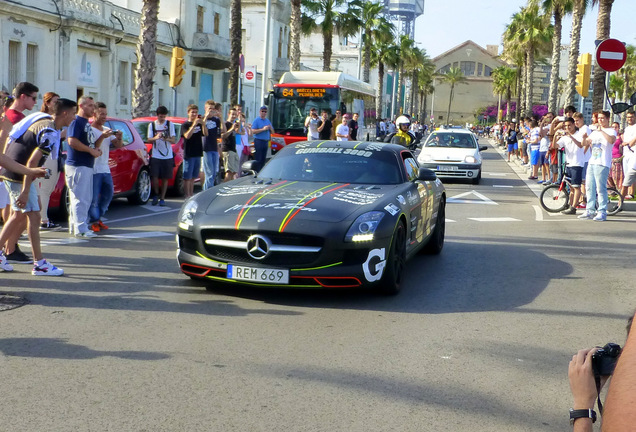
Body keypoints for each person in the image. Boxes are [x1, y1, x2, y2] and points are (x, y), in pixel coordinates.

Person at [0, 98, 77, 274]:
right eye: (73, 114)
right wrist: (26, 191)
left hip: (14, 172)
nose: (74, 117)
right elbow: (32, 162)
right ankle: (40, 264)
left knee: (18, 215)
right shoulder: (50, 131)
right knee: (34, 217)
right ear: (64, 113)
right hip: (18, 174)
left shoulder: (45, 123)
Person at [0, 82, 40, 263]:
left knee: (16, 211)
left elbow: (4, 157)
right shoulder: (12, 119)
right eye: (33, 97)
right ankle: (10, 247)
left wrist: (28, 171)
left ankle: (9, 248)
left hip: (9, 171)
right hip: (9, 173)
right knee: (19, 213)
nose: (3, 111)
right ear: (23, 96)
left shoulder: (14, 119)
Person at [66, 96, 102, 238]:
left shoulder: (85, 123)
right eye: (90, 105)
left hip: (86, 164)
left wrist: (95, 150)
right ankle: (80, 228)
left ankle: (76, 225)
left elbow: (87, 143)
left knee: (84, 197)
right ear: (81, 106)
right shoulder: (77, 122)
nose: (93, 109)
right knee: (81, 198)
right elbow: (72, 141)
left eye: (94, 106)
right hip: (77, 165)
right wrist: (90, 150)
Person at [89, 102, 122, 232]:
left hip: (105, 168)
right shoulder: (90, 130)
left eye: (105, 114)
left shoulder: (106, 129)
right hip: (94, 169)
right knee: (94, 197)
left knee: (109, 194)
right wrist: (103, 136)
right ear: (94, 114)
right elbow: (93, 147)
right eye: (101, 113)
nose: (104, 116)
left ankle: (98, 217)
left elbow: (118, 145)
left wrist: (119, 137)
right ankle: (94, 221)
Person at [578, 110, 616, 221]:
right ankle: (590, 210)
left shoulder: (611, 131)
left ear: (608, 119)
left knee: (601, 188)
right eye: (599, 118)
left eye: (602, 118)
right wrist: (585, 138)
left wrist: (602, 131)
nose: (600, 120)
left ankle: (602, 211)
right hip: (592, 162)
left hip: (603, 163)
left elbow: (611, 140)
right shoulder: (594, 132)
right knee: (589, 187)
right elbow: (584, 144)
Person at [36, 92, 65, 230]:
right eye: (55, 101)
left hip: (52, 157)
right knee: (45, 188)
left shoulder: (52, 119)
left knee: (47, 188)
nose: (57, 104)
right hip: (48, 158)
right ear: (47, 103)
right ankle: (43, 220)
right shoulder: (47, 120)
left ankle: (42, 218)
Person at [555, 117, 585, 214]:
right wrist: (555, 136)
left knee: (576, 187)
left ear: (574, 125)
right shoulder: (564, 137)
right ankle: (570, 204)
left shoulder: (579, 134)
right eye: (566, 126)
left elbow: (581, 145)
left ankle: (573, 207)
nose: (567, 127)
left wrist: (570, 136)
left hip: (577, 164)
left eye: (569, 125)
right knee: (571, 187)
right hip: (569, 164)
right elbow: (555, 146)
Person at [148, 106, 176, 206]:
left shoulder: (169, 124)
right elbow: (149, 139)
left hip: (167, 155)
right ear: (157, 115)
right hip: (156, 155)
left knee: (165, 178)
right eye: (160, 116)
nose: (162, 118)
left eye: (164, 116)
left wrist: (166, 138)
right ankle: (156, 194)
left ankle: (162, 198)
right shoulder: (152, 125)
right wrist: (156, 137)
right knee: (154, 177)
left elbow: (173, 140)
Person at [181, 104, 207, 198]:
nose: (194, 114)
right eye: (192, 112)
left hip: (198, 152)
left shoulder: (200, 124)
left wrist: (203, 124)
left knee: (193, 177)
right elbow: (187, 136)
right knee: (187, 177)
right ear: (188, 113)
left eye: (196, 112)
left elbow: (205, 134)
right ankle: (187, 195)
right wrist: (194, 125)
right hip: (189, 153)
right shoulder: (185, 125)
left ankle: (191, 194)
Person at [202, 100, 225, 189]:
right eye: (209, 108)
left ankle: (208, 190)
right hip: (206, 148)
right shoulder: (202, 119)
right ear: (205, 108)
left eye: (212, 109)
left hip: (214, 147)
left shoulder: (216, 120)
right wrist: (206, 118)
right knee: (209, 173)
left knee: (214, 173)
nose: (211, 110)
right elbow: (203, 132)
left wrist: (221, 118)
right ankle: (207, 192)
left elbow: (223, 130)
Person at [251, 105, 273, 171]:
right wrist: (263, 129)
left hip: (265, 141)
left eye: (265, 111)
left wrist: (270, 128)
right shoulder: (256, 120)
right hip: (259, 141)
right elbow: (253, 131)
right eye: (262, 111)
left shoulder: (267, 121)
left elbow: (273, 132)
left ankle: (261, 171)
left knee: (263, 159)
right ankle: (257, 171)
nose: (264, 113)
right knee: (258, 158)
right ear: (260, 112)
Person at [221, 108, 240, 182]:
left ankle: (230, 187)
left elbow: (240, 133)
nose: (234, 116)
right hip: (227, 149)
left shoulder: (233, 125)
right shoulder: (226, 124)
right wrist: (232, 129)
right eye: (232, 114)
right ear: (228, 114)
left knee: (233, 172)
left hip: (233, 149)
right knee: (228, 172)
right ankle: (224, 187)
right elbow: (223, 136)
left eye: (235, 114)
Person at [620, 110, 636, 200]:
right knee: (626, 175)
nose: (629, 119)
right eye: (628, 117)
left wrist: (628, 143)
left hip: (633, 154)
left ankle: (631, 193)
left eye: (631, 117)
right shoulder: (626, 128)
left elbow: (633, 141)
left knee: (631, 174)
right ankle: (624, 196)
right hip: (626, 154)